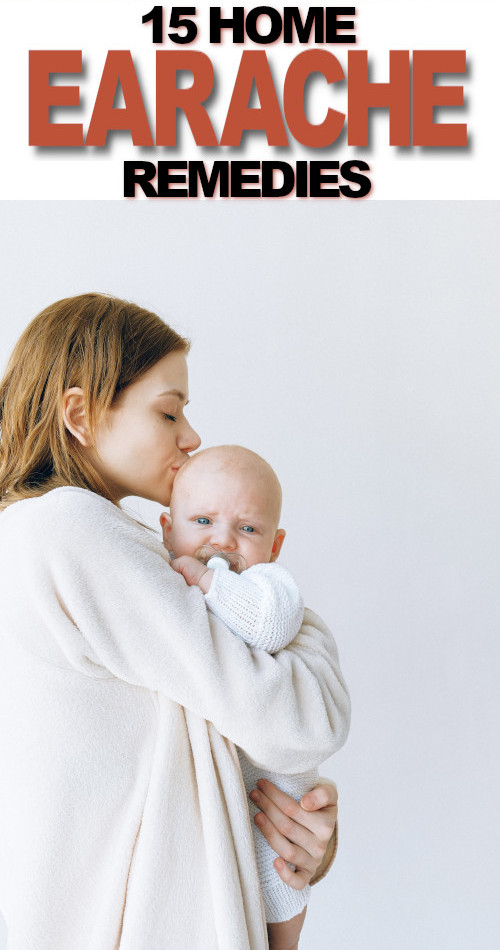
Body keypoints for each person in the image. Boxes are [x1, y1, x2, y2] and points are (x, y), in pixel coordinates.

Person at [0, 293, 349, 950]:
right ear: (78, 413)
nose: (190, 437)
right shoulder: (68, 531)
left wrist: (295, 835)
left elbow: (225, 728)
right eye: (168, 411)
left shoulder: (59, 541)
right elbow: (304, 723)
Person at [161, 444, 350, 950]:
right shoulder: (154, 580)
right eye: (202, 520)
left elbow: (267, 626)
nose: (222, 541)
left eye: (248, 529)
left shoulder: (270, 589)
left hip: (272, 794)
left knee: (282, 887)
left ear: (275, 545)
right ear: (165, 528)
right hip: (205, 834)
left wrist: (209, 582)